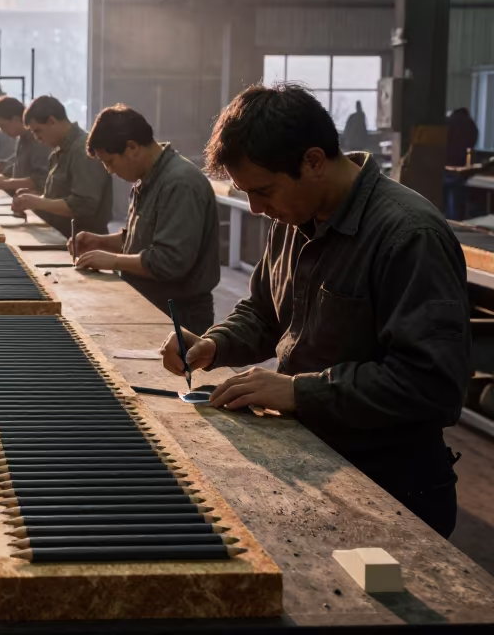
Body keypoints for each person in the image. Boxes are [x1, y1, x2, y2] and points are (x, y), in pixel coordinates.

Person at [159, 83, 468, 538]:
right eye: (247, 193)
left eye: (264, 191)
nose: (256, 208)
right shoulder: (294, 216)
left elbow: (431, 384)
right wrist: (213, 343)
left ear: (314, 161)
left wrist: (299, 392)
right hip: (313, 453)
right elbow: (265, 311)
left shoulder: (408, 235)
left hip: (391, 483)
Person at [71, 105, 219, 336]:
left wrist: (113, 261)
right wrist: (99, 242)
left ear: (131, 147)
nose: (109, 171)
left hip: (177, 315)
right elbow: (141, 239)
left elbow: (168, 262)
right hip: (149, 304)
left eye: (110, 162)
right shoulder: (147, 179)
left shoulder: (180, 184)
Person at [10, 95, 114, 236]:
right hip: (61, 236)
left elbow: (83, 205)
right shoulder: (59, 151)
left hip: (84, 242)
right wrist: (32, 199)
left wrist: (39, 203)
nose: (37, 138)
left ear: (52, 121)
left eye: (38, 131)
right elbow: (58, 198)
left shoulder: (83, 150)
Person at [0, 95, 51, 195]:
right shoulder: (22, 140)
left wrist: (8, 183)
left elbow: (43, 178)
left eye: (3, 125)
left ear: (16, 119)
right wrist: (3, 174)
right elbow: (21, 168)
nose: (2, 131)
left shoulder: (38, 139)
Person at [443, 107, 481, 220]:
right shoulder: (471, 125)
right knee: (457, 196)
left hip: (446, 163)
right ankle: (455, 220)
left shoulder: (447, 122)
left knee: (444, 194)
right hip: (461, 165)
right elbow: (472, 143)